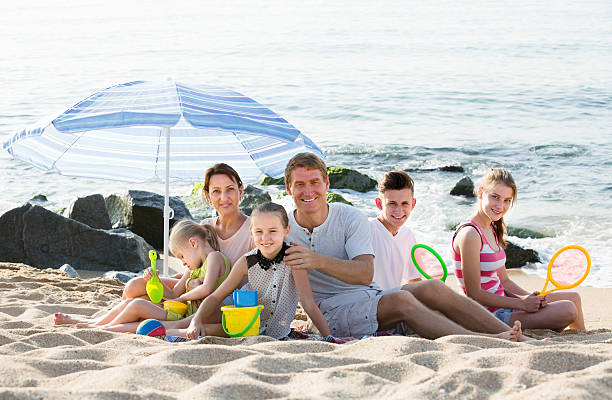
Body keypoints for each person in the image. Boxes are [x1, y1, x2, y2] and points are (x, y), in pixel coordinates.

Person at [282, 152, 527, 341]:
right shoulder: (282, 227)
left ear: (326, 183)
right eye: (300, 184)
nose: (308, 191)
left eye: (314, 182)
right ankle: (485, 340)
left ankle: (516, 336)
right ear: (288, 188)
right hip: (332, 313)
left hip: (369, 297)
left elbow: (365, 273)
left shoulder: (350, 217)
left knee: (432, 287)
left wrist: (317, 260)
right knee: (401, 300)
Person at [452, 168, 585, 331]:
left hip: (506, 303)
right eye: (495, 197)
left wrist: (528, 298)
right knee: (568, 309)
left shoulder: (491, 228)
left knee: (574, 298)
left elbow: (504, 281)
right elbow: (474, 294)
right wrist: (521, 304)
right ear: (481, 192)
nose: (501, 206)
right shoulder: (470, 234)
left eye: (507, 200)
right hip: (488, 316)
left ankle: (583, 339)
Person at [184, 202, 332, 340]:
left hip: (275, 331)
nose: (265, 238)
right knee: (198, 326)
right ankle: (171, 329)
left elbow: (308, 303)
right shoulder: (247, 261)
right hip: (243, 321)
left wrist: (329, 338)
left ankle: (173, 328)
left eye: (273, 231)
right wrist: (196, 321)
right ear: (251, 233)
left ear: (286, 230)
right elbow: (216, 297)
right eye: (259, 231)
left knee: (207, 329)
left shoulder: (293, 259)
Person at [54, 220, 230, 332]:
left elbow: (207, 289)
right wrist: (155, 281)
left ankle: (101, 327)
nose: (183, 263)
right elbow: (174, 294)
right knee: (131, 302)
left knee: (137, 304)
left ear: (193, 243)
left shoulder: (214, 258)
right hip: (179, 312)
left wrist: (184, 298)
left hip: (190, 316)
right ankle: (94, 322)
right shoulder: (193, 269)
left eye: (182, 256)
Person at [121, 163, 255, 300]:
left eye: (230, 189)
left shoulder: (255, 230)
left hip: (225, 302)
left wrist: (194, 288)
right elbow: (193, 271)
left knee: (142, 302)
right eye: (216, 191)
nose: (224, 197)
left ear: (241, 190)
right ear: (208, 195)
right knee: (134, 286)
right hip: (194, 295)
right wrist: (191, 283)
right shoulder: (205, 225)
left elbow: (258, 282)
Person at [370, 170, 421, 290]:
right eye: (392, 203)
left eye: (404, 203)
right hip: (369, 303)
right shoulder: (367, 231)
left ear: (413, 204)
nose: (399, 211)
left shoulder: (408, 236)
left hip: (395, 301)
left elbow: (414, 280)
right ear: (379, 203)